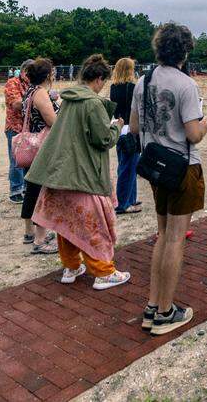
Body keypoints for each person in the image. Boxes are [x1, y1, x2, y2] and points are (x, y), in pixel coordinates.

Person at [130, 22, 207, 335]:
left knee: (162, 235)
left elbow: (135, 127)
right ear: (185, 50)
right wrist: (205, 126)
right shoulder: (186, 84)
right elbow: (193, 133)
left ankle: (153, 304)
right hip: (182, 166)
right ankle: (165, 312)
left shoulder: (142, 81)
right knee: (175, 238)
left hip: (154, 166)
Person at [29, 54, 131, 289]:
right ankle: (103, 272)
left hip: (60, 173)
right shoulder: (91, 103)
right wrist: (115, 127)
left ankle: (71, 266)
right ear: (98, 78)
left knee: (67, 223)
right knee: (93, 225)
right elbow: (102, 139)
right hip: (82, 174)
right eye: (103, 81)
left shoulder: (69, 99)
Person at [19, 58, 59, 254]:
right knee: (41, 192)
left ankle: (30, 232)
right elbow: (52, 121)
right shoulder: (41, 93)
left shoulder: (29, 90)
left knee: (32, 190)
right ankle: (40, 240)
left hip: (31, 147)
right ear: (47, 75)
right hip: (41, 149)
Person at [109, 57, 141, 214]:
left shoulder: (113, 87)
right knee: (128, 167)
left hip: (118, 127)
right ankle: (123, 203)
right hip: (131, 129)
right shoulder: (132, 87)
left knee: (126, 164)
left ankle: (131, 198)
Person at [3, 59, 33, 204]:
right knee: (16, 160)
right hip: (14, 127)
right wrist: (35, 100)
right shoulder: (12, 83)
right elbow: (16, 104)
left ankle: (26, 187)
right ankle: (15, 190)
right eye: (29, 73)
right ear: (22, 72)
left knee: (28, 159)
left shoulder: (32, 84)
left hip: (29, 128)